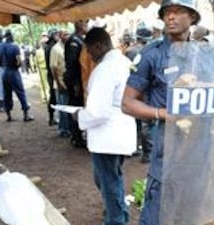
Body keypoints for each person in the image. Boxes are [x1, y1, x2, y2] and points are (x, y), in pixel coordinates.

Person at [121, 1, 200, 224]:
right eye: (166, 13)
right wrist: (162, 113)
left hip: (195, 147)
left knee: (185, 208)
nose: (170, 17)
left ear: (192, 17)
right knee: (158, 208)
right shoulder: (151, 55)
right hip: (165, 144)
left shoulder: (200, 53)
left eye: (177, 12)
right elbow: (127, 103)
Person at [76, 27, 136, 225]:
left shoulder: (105, 69)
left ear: (98, 46)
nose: (89, 55)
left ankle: (116, 220)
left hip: (107, 136)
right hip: (121, 132)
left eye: (89, 50)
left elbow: (96, 112)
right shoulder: (123, 62)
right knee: (109, 178)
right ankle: (120, 214)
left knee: (109, 182)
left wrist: (79, 116)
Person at [125, 22, 154, 163]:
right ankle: (147, 153)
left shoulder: (129, 50)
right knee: (146, 123)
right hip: (144, 90)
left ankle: (134, 147)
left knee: (134, 121)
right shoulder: (148, 51)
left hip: (131, 88)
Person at [0, 30, 34, 122]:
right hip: (13, 71)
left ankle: (8, 115)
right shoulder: (15, 47)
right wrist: (19, 65)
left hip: (4, 72)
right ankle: (26, 114)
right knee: (20, 92)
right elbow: (18, 61)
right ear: (11, 36)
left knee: (7, 94)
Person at [65, 20, 88, 148]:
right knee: (75, 107)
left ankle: (78, 134)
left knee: (79, 106)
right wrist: (76, 84)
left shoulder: (80, 39)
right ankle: (76, 137)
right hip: (75, 80)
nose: (87, 26)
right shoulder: (74, 41)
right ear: (80, 24)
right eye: (86, 23)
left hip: (79, 80)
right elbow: (73, 65)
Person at [50, 29, 70, 137]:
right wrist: (58, 83)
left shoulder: (67, 47)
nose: (67, 36)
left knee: (67, 107)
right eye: (65, 34)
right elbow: (53, 68)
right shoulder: (55, 49)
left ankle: (66, 128)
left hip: (67, 82)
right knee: (62, 107)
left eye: (68, 34)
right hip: (60, 83)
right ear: (60, 36)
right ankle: (63, 130)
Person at [45, 28, 59, 126]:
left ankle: (51, 117)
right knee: (54, 96)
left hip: (50, 74)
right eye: (56, 34)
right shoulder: (52, 47)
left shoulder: (48, 46)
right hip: (52, 74)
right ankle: (51, 117)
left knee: (53, 96)